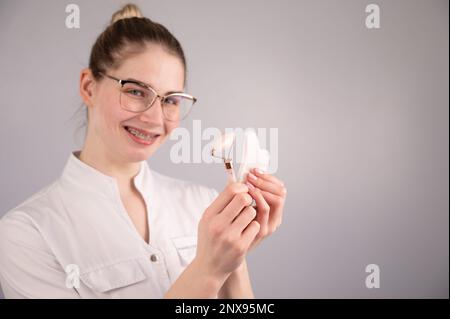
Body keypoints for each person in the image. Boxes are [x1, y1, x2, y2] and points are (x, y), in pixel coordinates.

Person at [0, 3, 287, 298]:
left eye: (171, 99)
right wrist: (209, 269)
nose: (154, 118)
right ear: (89, 87)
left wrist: (234, 258)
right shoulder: (25, 235)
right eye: (136, 91)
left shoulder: (203, 203)